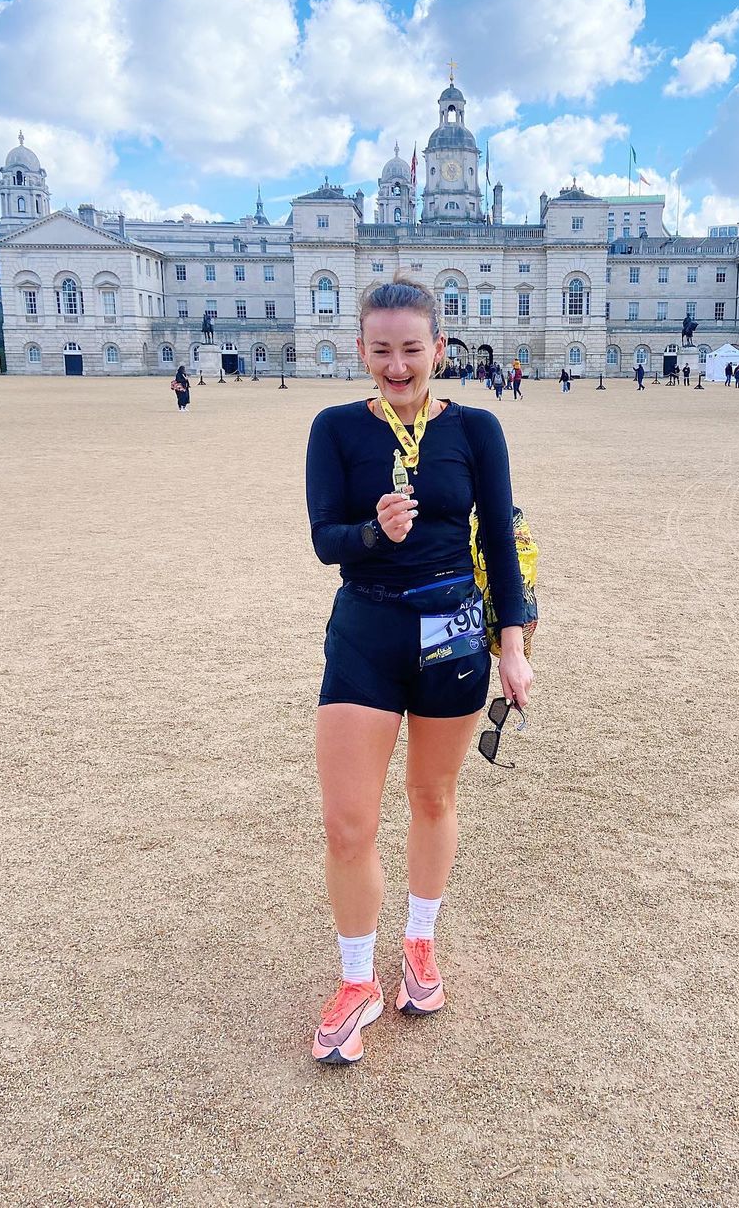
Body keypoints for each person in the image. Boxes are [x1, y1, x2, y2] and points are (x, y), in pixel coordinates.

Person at [305, 275, 532, 1066]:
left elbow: (499, 540)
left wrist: (513, 646)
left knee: (433, 797)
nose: (396, 366)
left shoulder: (476, 429)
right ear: (360, 351)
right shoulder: (336, 428)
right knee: (348, 823)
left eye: (411, 349)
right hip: (367, 632)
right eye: (381, 350)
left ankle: (421, 941)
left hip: (453, 635)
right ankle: (357, 980)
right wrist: (373, 532)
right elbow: (325, 539)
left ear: (439, 348)